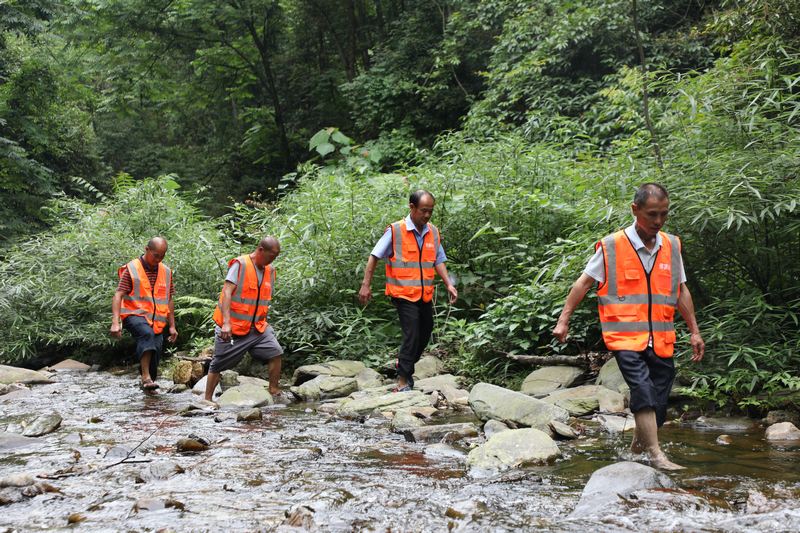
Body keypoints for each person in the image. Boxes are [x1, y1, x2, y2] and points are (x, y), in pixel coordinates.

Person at [552, 183, 705, 470]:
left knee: (659, 401)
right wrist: (563, 321)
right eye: (652, 215)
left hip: (661, 337)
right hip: (624, 337)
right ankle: (657, 455)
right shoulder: (612, 246)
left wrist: (694, 331)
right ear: (635, 210)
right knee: (643, 390)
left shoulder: (671, 245)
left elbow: (681, 290)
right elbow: (583, 284)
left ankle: (637, 447)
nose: (658, 222)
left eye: (663, 215)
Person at [359, 190, 458, 392]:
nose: (427, 215)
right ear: (411, 207)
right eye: (423, 210)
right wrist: (366, 285)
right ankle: (403, 380)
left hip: (424, 294)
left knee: (425, 332)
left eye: (430, 211)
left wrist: (448, 283)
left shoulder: (433, 232)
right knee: (412, 333)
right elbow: (374, 256)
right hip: (402, 293)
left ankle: (404, 368)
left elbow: (438, 260)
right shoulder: (395, 231)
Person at [204, 237, 284, 402]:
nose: (272, 260)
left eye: (275, 257)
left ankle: (273, 388)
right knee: (218, 363)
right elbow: (226, 292)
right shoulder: (240, 265)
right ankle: (207, 399)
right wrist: (226, 323)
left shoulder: (270, 270)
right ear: (260, 250)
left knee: (276, 352)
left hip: (258, 328)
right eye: (271, 256)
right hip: (233, 328)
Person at [111, 237, 178, 391]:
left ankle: (149, 393)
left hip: (157, 321)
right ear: (147, 249)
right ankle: (145, 377)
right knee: (146, 335)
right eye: (156, 255)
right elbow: (118, 295)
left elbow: (169, 299)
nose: (159, 259)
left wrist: (172, 326)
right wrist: (115, 322)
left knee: (155, 356)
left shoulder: (166, 272)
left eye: (162, 256)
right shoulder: (132, 269)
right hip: (134, 315)